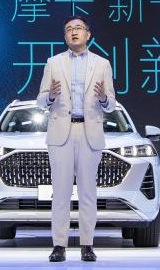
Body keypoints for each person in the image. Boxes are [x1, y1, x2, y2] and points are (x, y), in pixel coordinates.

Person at [36, 16, 117, 263]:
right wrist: (50, 96)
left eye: (78, 28)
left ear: (88, 34)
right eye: (69, 29)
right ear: (64, 36)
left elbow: (111, 104)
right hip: (61, 132)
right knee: (60, 193)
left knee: (88, 192)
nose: (74, 32)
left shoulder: (102, 64)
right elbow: (40, 101)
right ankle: (59, 246)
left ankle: (87, 245)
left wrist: (103, 98)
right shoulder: (53, 63)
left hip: (89, 132)